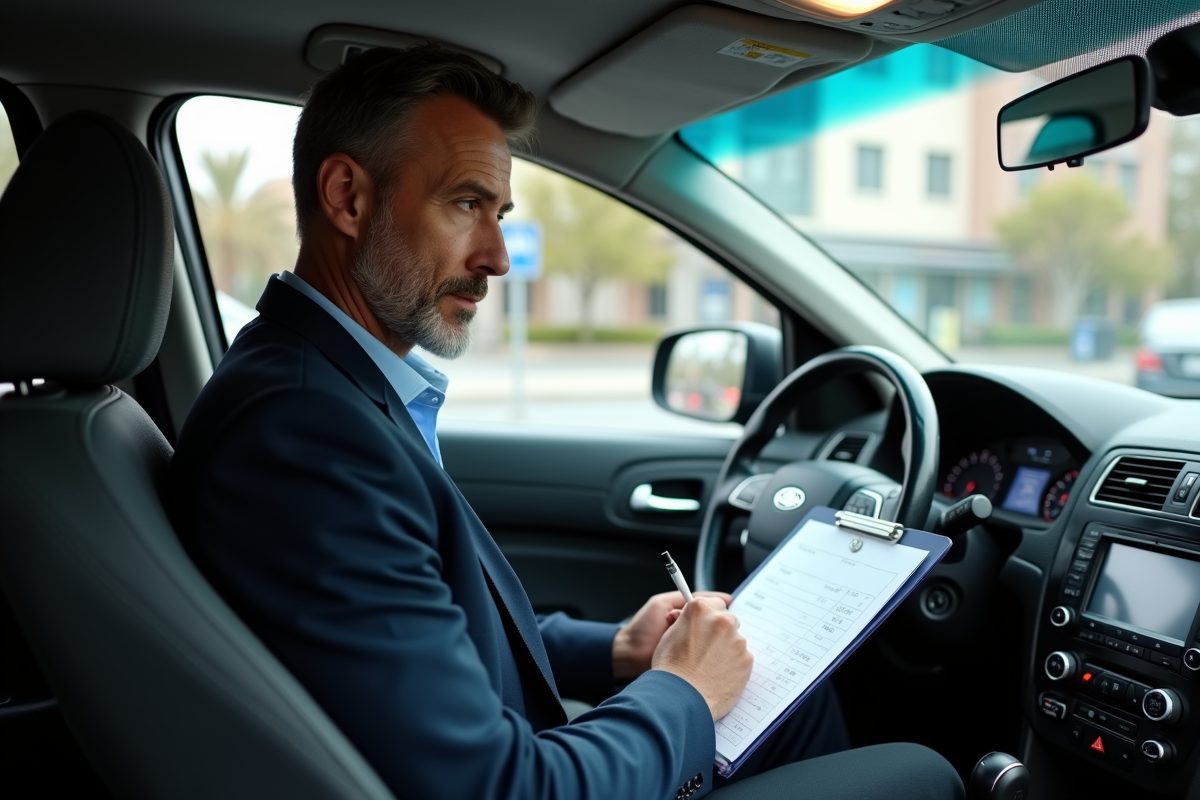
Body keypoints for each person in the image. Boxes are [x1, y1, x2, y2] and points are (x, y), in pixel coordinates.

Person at [167, 45, 964, 800]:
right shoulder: (306, 436)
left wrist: (618, 650)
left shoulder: (321, 389)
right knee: (920, 772)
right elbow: (503, 788)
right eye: (467, 204)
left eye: (500, 211)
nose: (499, 255)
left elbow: (435, 638)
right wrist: (683, 689)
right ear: (347, 196)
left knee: (791, 706)